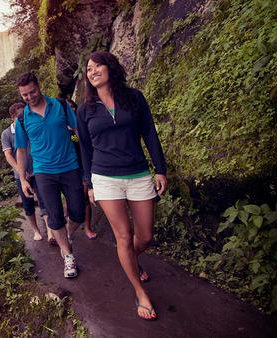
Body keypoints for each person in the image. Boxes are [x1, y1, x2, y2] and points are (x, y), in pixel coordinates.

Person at [76, 51, 168, 320]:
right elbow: (84, 148)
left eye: (97, 66)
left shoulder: (134, 98)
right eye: (88, 69)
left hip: (138, 174)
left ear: (110, 67)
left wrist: (160, 169)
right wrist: (89, 183)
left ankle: (129, 259)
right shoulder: (86, 110)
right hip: (105, 178)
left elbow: (150, 133)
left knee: (145, 237)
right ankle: (140, 292)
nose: (92, 72)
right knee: (124, 237)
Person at [14, 72, 86, 278]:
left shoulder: (60, 106)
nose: (30, 97)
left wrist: (80, 148)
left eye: (32, 92)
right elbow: (20, 149)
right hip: (44, 172)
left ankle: (67, 236)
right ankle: (68, 254)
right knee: (54, 217)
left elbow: (76, 130)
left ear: (39, 86)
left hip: (70, 166)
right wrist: (22, 178)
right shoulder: (22, 119)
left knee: (78, 212)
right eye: (25, 95)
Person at [1, 102, 49, 241]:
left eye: (25, 114)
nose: (24, 118)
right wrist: (21, 171)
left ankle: (50, 232)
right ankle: (36, 231)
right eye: (20, 116)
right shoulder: (6, 134)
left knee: (44, 200)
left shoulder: (30, 127)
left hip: (38, 170)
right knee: (28, 204)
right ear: (12, 118)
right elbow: (8, 155)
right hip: (20, 176)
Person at [65, 98, 97, 240]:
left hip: (83, 166)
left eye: (73, 107)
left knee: (84, 197)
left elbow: (87, 143)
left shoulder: (81, 125)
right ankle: (71, 221)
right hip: (70, 167)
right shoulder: (60, 128)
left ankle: (87, 227)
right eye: (68, 108)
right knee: (73, 198)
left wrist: (75, 129)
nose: (71, 110)